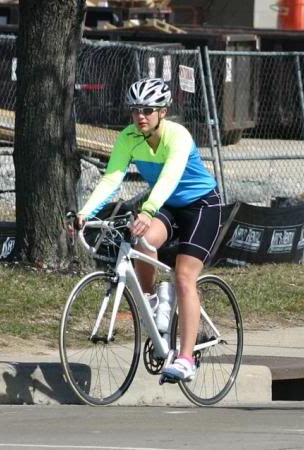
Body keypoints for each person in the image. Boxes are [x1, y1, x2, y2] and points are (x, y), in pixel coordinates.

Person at [73, 77, 223, 383]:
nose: (140, 116)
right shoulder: (128, 137)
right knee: (142, 240)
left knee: (183, 277)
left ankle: (185, 359)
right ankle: (154, 301)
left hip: (201, 206)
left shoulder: (177, 137)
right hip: (167, 204)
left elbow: (169, 177)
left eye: (148, 110)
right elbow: (112, 177)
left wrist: (148, 209)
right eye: (135, 110)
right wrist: (86, 212)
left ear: (163, 112)